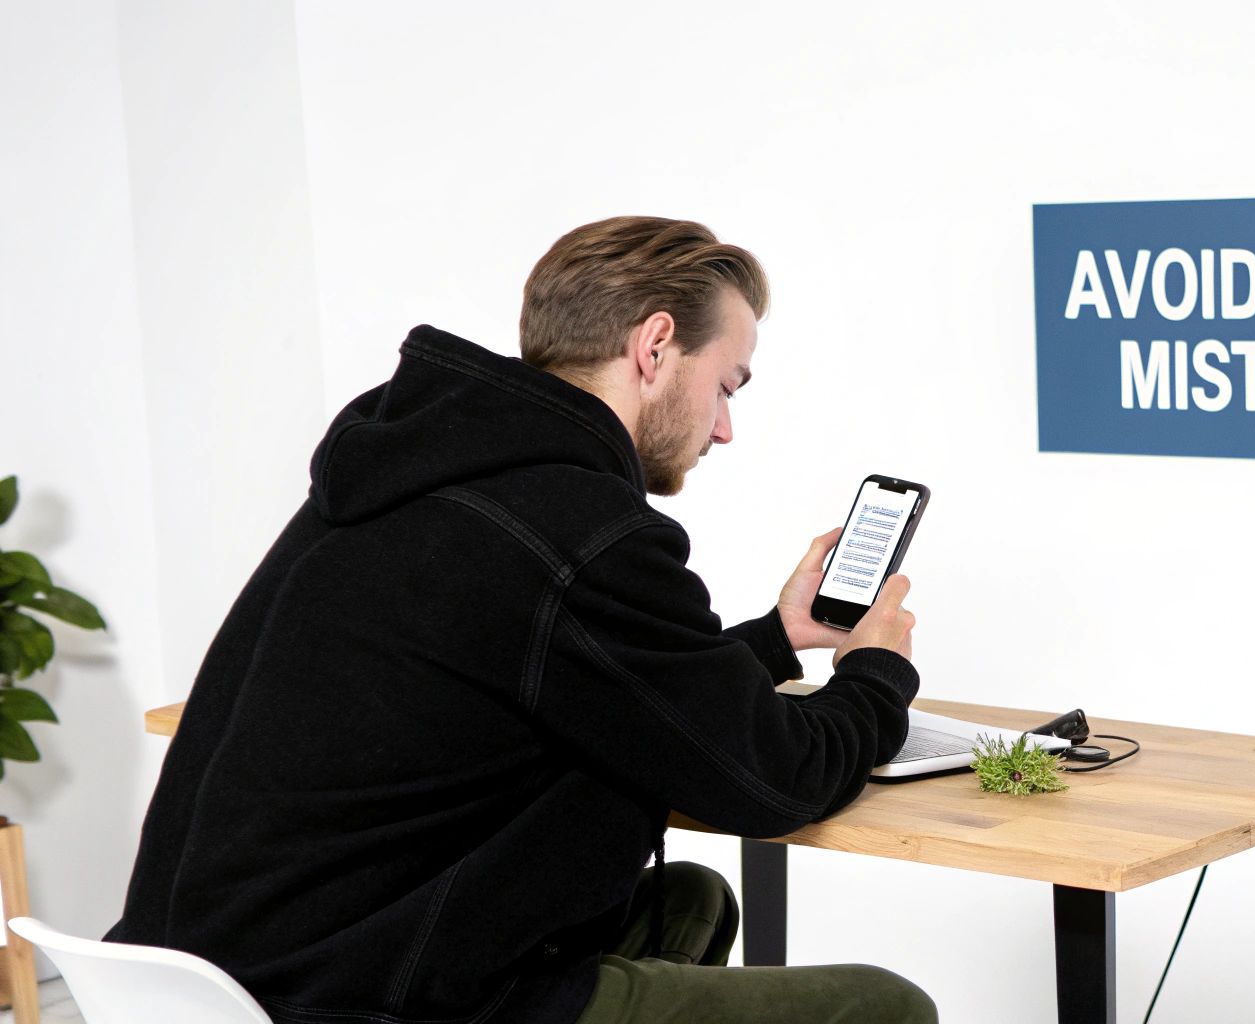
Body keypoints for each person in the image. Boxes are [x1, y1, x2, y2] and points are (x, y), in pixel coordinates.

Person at [105, 216, 938, 1023]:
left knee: (688, 903)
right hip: (351, 998)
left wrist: (775, 637)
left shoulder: (412, 466)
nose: (724, 428)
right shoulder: (583, 529)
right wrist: (876, 674)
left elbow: (595, 674)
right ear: (654, 347)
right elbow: (774, 781)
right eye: (725, 386)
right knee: (885, 1007)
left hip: (201, 979)